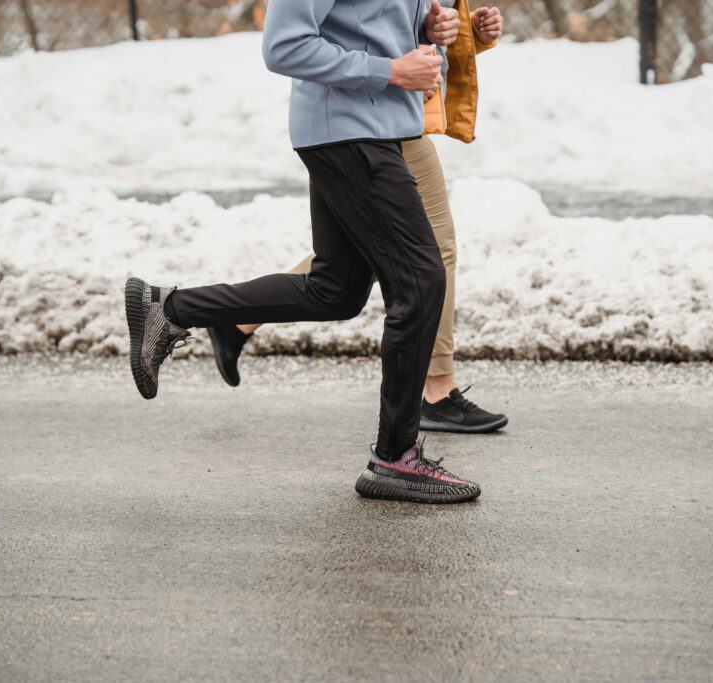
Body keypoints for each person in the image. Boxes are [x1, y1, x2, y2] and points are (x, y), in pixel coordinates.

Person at [125, 0, 481, 504]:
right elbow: (284, 45)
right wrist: (390, 70)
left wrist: (426, 25)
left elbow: (365, 23)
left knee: (335, 291)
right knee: (421, 282)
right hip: (351, 131)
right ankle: (395, 458)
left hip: (376, 128)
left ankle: (170, 308)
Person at [209, 1, 508, 435]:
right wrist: (393, 70)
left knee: (358, 258)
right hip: (361, 121)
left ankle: (229, 318)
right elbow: (290, 45)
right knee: (427, 254)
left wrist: (454, 32)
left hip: (390, 115)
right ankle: (434, 392)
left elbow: (384, 27)